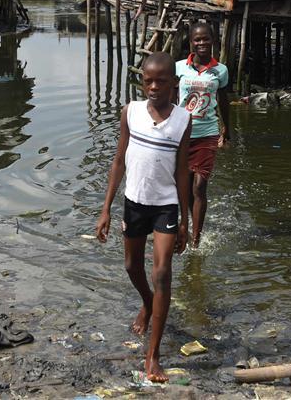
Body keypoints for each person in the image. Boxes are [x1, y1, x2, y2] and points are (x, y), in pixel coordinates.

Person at [96, 51, 191, 383]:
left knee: (162, 272)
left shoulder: (183, 120)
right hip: (135, 202)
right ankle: (148, 304)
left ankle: (153, 355)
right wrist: (106, 208)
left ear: (173, 83)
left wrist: (184, 220)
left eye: (160, 82)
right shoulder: (131, 112)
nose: (153, 87)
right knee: (130, 266)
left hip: (166, 205)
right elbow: (119, 160)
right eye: (147, 81)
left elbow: (182, 171)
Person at [176, 22, 230, 248]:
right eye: (197, 39)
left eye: (205, 38)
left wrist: (227, 128)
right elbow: (169, 99)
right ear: (191, 42)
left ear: (213, 40)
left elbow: (224, 100)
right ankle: (189, 224)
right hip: (181, 134)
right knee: (186, 187)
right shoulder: (179, 67)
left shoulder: (221, 70)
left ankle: (196, 242)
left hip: (207, 133)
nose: (202, 43)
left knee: (199, 187)